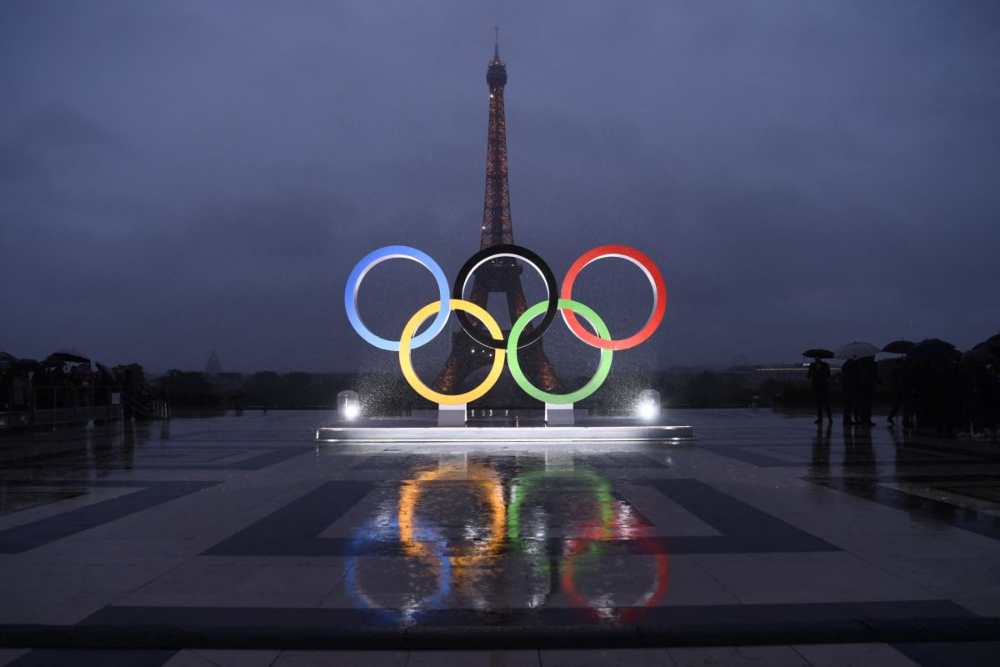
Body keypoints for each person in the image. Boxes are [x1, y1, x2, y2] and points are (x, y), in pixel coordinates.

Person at [807, 357, 832, 424]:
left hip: (819, 386)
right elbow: (828, 375)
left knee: (821, 403)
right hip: (823, 386)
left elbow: (808, 376)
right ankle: (828, 418)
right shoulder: (825, 365)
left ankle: (822, 419)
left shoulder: (813, 365)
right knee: (824, 403)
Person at [840, 358, 858, 425]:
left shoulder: (845, 365)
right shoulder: (853, 365)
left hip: (846, 387)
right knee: (850, 404)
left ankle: (847, 420)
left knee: (847, 405)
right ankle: (848, 420)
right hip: (850, 386)